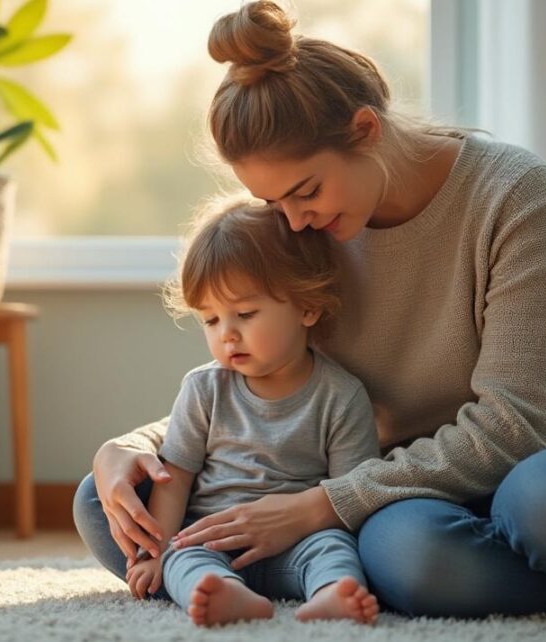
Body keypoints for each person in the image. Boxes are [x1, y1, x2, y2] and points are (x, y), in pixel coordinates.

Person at [75, 0, 546, 617]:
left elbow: (517, 424)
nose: (290, 222)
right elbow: (260, 375)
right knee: (113, 508)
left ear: (366, 130)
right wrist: (133, 450)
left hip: (534, 464)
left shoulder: (515, 195)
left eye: (304, 190)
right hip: (397, 487)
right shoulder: (304, 230)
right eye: (272, 202)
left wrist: (320, 506)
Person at [123, 195, 381, 627]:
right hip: (213, 536)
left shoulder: (342, 395)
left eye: (244, 313)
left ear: (307, 306)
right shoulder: (204, 388)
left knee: (335, 548)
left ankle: (332, 593)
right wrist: (157, 552)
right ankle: (226, 595)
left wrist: (323, 538)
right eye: (210, 320)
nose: (227, 335)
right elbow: (174, 478)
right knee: (182, 560)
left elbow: (351, 494)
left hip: (302, 538)